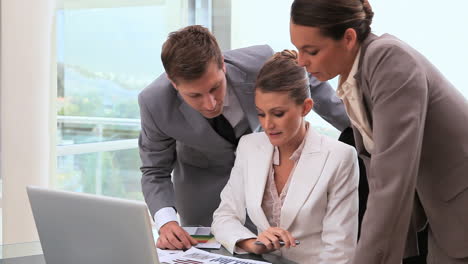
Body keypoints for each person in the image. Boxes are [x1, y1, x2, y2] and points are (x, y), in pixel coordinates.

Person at [138, 25, 350, 250]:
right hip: (203, 203)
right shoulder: (155, 103)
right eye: (195, 95)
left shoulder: (259, 62)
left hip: (266, 192)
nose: (210, 104)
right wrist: (166, 222)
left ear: (222, 64)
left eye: (215, 88)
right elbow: (154, 171)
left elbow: (302, 77)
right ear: (173, 83)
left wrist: (360, 130)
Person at [289, 0, 468, 263]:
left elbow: (390, 177)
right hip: (438, 209)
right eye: (298, 50)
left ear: (348, 38)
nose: (302, 61)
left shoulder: (389, 60)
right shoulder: (356, 74)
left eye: (311, 51)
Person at [211, 50, 359, 264]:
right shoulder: (249, 146)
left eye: (278, 114)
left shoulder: (339, 157)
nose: (267, 124)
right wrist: (252, 243)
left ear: (305, 107)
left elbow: (339, 251)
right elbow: (224, 217)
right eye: (261, 113)